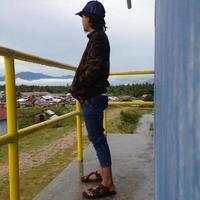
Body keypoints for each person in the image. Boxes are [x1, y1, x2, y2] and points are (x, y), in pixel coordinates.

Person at [69, 1, 116, 199]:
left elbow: (95, 70)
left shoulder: (98, 39)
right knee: (98, 137)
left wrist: (76, 87)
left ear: (90, 18)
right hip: (93, 96)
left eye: (83, 16)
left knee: (97, 139)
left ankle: (107, 183)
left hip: (92, 97)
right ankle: (102, 173)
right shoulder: (97, 38)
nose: (82, 20)